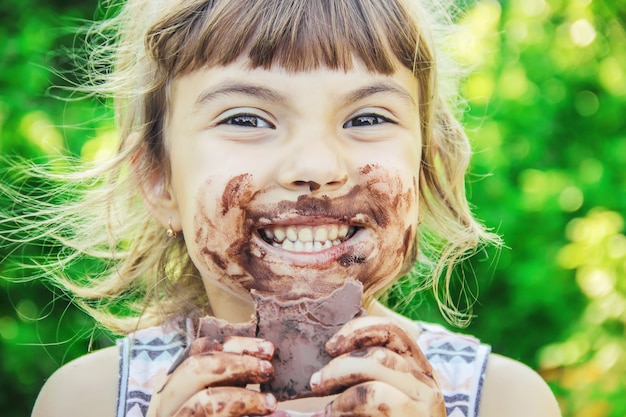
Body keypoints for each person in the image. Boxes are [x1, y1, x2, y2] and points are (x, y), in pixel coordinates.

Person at [4, 0, 561, 416]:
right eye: (246, 119)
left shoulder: (504, 400)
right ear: (159, 180)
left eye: (366, 118)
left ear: (425, 167)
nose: (316, 165)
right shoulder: (89, 400)